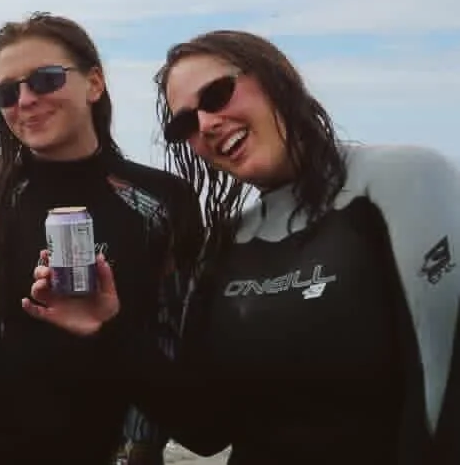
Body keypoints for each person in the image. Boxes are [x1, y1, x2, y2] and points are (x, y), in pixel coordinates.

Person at [25, 30, 460, 464]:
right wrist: (109, 329)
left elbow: (440, 399)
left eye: (217, 94)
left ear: (276, 77)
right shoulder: (227, 243)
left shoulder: (403, 180)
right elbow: (206, 428)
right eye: (184, 124)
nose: (207, 124)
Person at [0, 13, 204, 464]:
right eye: (7, 92)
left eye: (45, 79)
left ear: (94, 83)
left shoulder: (162, 203)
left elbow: (180, 348)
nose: (26, 100)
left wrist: (138, 448)